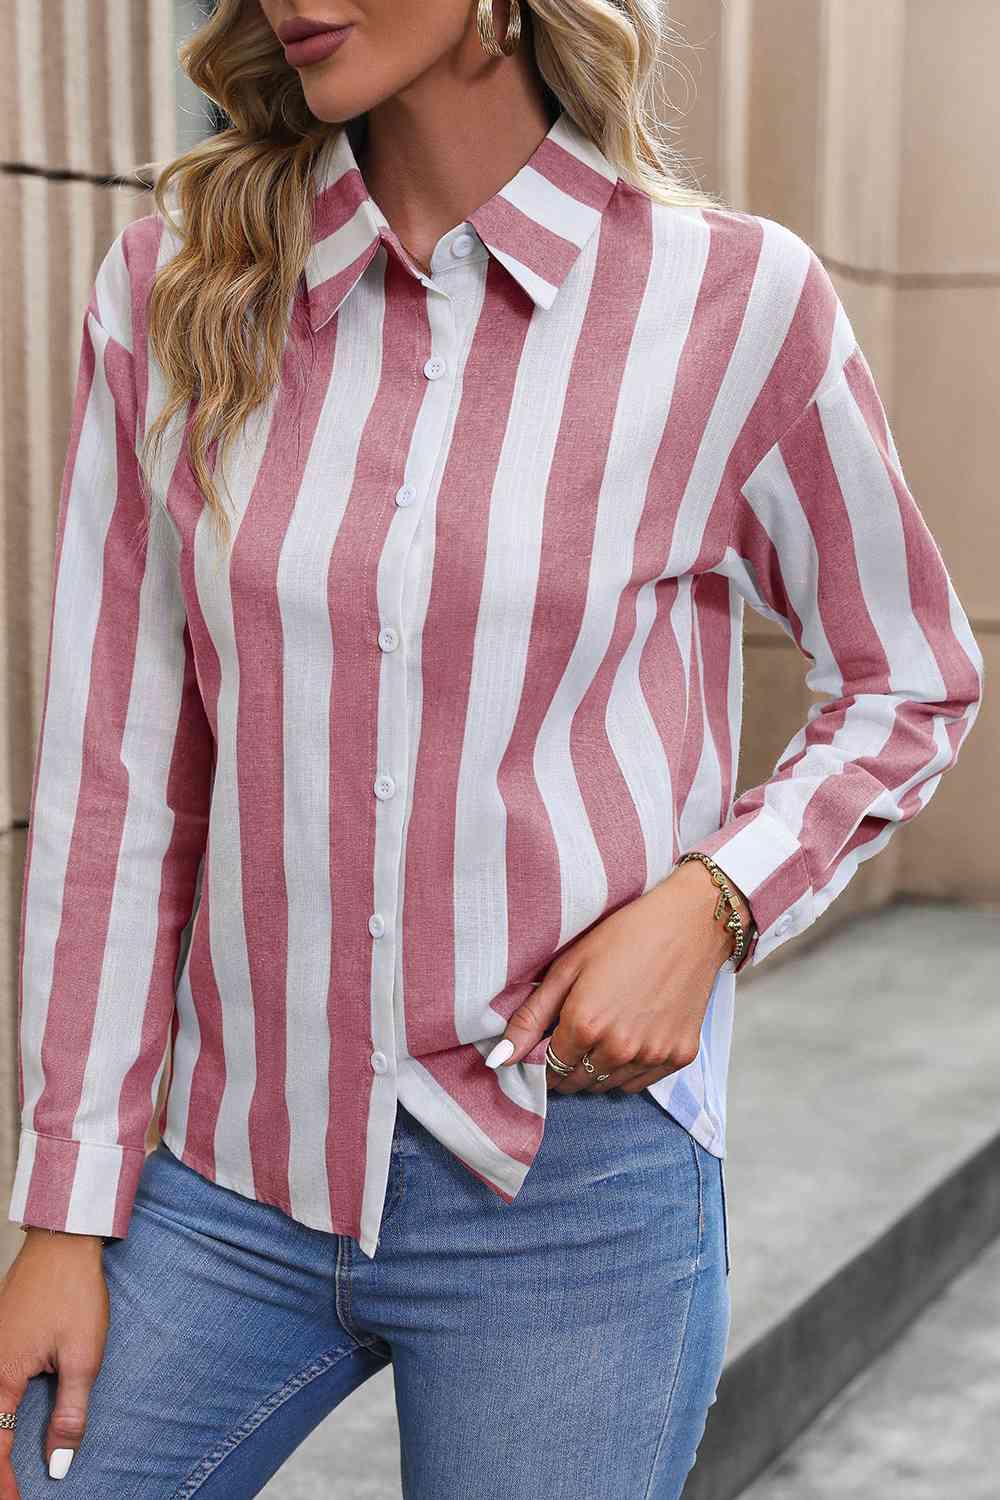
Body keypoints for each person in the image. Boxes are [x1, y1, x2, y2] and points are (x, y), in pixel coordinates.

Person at [1, 1, 984, 1496]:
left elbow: (911, 675)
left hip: (572, 1194)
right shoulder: (175, 290)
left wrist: (714, 901)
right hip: (224, 1178)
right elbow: (119, 783)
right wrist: (62, 1215)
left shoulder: (732, 300)